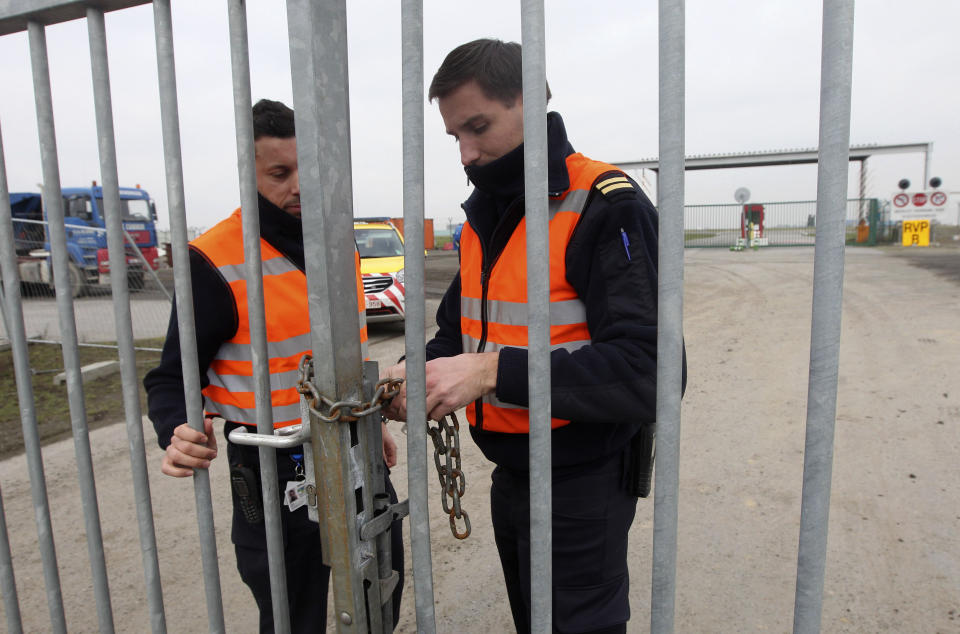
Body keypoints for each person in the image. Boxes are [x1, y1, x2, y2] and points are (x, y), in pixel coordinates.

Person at [384, 40, 685, 633]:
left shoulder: (602, 204)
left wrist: (494, 371)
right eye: (454, 138)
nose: (467, 154)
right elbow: (456, 334)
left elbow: (651, 370)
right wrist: (412, 371)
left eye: (478, 127)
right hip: (514, 472)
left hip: (582, 478)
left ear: (530, 102)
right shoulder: (485, 216)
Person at [144, 99, 403, 633]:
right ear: (250, 175)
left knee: (380, 590)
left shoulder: (339, 246)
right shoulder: (213, 259)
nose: (300, 186)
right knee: (291, 612)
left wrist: (367, 424)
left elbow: (348, 353)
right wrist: (176, 430)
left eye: (308, 167)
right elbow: (171, 376)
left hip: (353, 449)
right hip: (269, 467)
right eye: (280, 173)